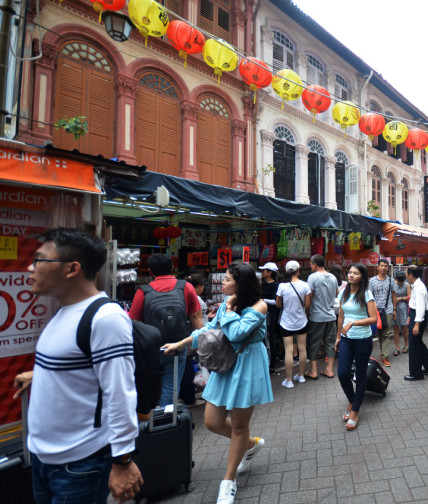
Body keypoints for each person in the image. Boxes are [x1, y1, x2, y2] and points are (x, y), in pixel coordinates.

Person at [13, 228, 143, 504]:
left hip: (79, 465)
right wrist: (41, 374)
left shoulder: (105, 318)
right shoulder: (64, 310)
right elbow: (81, 364)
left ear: (72, 268)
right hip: (43, 458)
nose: (30, 268)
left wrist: (122, 460)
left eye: (39, 260)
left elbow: (120, 393)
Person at [162, 262, 273, 504]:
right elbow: (207, 331)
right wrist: (179, 345)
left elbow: (236, 334)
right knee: (212, 421)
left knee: (240, 427)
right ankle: (251, 444)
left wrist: (231, 310)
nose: (221, 283)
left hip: (248, 365)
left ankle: (228, 481)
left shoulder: (259, 306)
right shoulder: (226, 304)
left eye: (227, 280)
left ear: (240, 284)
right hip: (226, 366)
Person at [128, 254, 201, 406]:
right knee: (172, 386)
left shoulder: (143, 291)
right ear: (172, 268)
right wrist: (195, 342)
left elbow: (133, 322)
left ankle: (152, 419)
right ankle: (167, 420)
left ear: (150, 271)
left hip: (151, 348)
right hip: (178, 344)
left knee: (150, 385)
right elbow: (194, 316)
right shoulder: (185, 287)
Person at [335, 263, 377, 430]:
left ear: (362, 277)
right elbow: (340, 317)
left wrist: (354, 323)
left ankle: (355, 410)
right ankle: (352, 400)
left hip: (363, 340)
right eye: (350, 272)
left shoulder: (367, 293)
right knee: (343, 373)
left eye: (356, 273)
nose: (351, 275)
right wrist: (338, 336)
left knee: (360, 375)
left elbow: (373, 318)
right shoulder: (343, 292)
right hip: (346, 339)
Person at [276, 260, 310, 388]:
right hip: (301, 321)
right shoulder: (305, 285)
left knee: (289, 350)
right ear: (298, 270)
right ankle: (301, 376)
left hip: (286, 322)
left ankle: (288, 380)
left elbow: (278, 304)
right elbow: (307, 305)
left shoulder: (282, 286)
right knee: (302, 348)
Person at [305, 254, 338, 380]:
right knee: (330, 343)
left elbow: (309, 297)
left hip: (317, 316)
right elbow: (336, 294)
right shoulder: (333, 277)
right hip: (331, 316)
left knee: (314, 343)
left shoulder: (312, 277)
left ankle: (314, 371)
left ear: (314, 264)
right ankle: (329, 370)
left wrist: (307, 311)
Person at [179, 274, 207, 408]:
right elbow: (197, 318)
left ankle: (185, 395)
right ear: (199, 286)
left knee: (187, 365)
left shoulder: (183, 296)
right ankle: (190, 397)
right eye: (202, 286)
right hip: (196, 335)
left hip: (189, 335)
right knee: (193, 364)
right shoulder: (196, 299)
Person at [368, 258, 397, 367]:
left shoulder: (391, 281)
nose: (384, 268)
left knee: (386, 333)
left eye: (386, 266)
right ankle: (382, 352)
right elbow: (369, 297)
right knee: (379, 332)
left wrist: (394, 309)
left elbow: (394, 295)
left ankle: (385, 356)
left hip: (387, 310)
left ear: (388, 268)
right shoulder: (372, 281)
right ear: (378, 267)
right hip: (375, 311)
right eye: (382, 266)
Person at [404, 265, 428, 381]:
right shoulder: (415, 285)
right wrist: (410, 316)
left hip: (419, 316)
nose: (406, 275)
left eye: (406, 273)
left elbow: (420, 307)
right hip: (415, 314)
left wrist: (417, 324)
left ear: (411, 275)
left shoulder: (418, 287)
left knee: (414, 345)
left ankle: (416, 373)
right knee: (418, 343)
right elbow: (414, 304)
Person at [259, 262, 280, 375]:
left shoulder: (276, 286)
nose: (263, 272)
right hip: (262, 314)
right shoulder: (262, 284)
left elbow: (277, 303)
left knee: (270, 338)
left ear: (270, 272)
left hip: (271, 314)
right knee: (263, 338)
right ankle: (264, 362)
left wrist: (264, 300)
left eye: (265, 270)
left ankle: (272, 365)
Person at [392, 271, 410, 356]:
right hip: (394, 308)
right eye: (399, 281)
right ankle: (397, 347)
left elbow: (409, 297)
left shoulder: (407, 285)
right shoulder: (392, 285)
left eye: (402, 281)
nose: (400, 283)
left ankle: (406, 345)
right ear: (396, 279)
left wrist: (400, 298)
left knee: (405, 328)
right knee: (395, 328)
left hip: (403, 308)